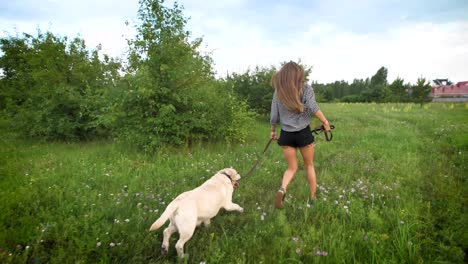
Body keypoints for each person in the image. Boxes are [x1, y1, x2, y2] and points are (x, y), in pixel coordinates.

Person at [270, 61, 330, 209]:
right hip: (303, 133)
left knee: (291, 168)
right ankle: (312, 198)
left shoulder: (279, 91)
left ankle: (282, 188)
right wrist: (325, 122)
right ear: (298, 74)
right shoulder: (306, 88)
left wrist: (272, 130)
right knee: (309, 165)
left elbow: (274, 114)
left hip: (286, 134)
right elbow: (313, 107)